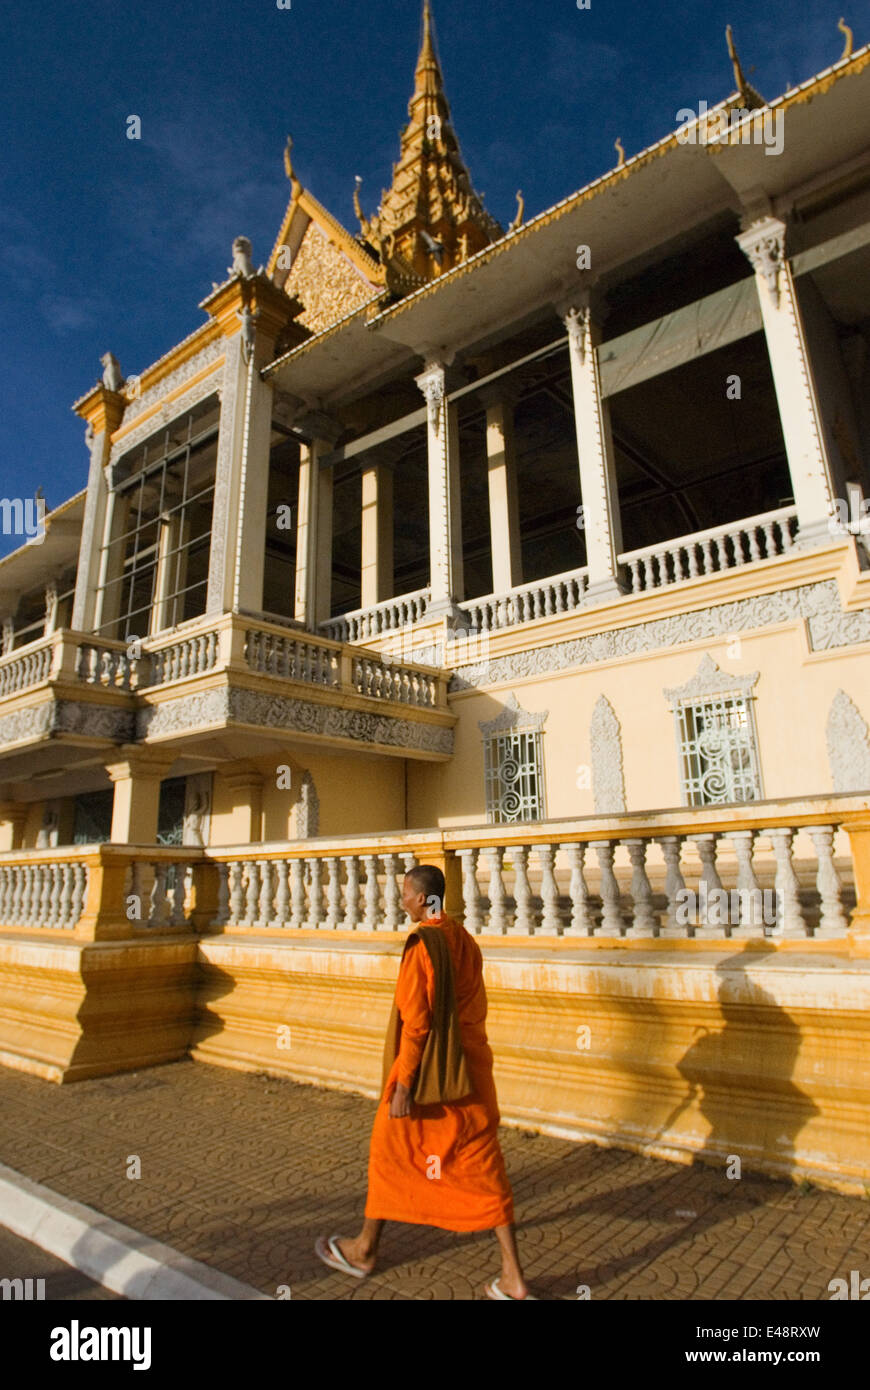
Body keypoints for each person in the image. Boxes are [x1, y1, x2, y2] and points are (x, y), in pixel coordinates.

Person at [315, 863, 534, 1300]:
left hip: (428, 1082)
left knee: (390, 1153)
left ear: (421, 898)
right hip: (468, 1075)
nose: (402, 901)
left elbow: (416, 1024)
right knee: (483, 1168)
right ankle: (513, 1277)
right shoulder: (463, 939)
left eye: (405, 894)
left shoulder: (422, 946)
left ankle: (363, 1249)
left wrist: (404, 1085)